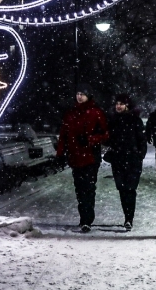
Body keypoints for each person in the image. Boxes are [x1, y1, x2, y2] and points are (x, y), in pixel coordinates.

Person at [56, 83, 108, 233]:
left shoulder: (96, 112)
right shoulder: (70, 113)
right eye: (78, 93)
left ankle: (87, 219)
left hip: (91, 156)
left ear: (88, 96)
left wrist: (91, 139)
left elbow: (105, 133)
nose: (79, 97)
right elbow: (63, 135)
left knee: (89, 187)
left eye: (82, 94)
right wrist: (60, 153)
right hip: (75, 156)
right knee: (80, 189)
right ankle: (83, 217)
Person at [107, 93, 147, 231]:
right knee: (122, 190)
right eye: (117, 104)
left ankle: (129, 218)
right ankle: (127, 216)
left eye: (121, 104)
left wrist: (140, 155)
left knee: (130, 189)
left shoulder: (135, 121)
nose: (118, 106)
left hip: (132, 160)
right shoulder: (112, 121)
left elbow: (142, 140)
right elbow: (108, 139)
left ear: (127, 106)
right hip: (118, 160)